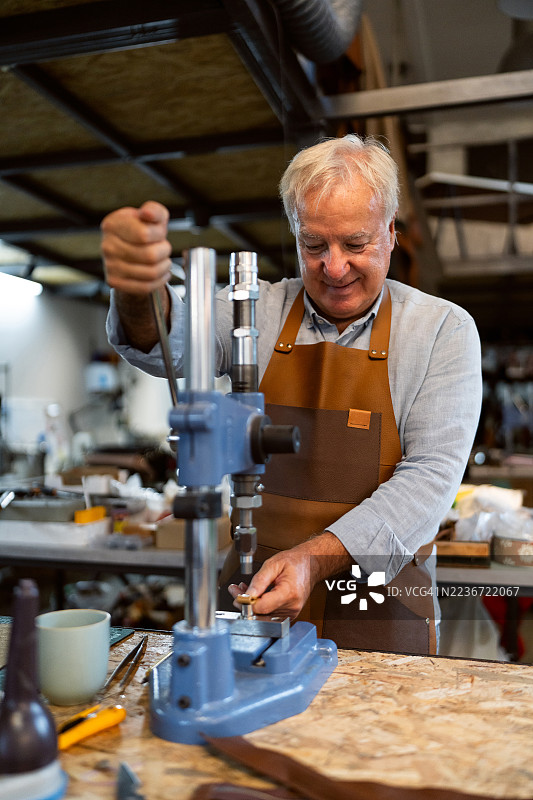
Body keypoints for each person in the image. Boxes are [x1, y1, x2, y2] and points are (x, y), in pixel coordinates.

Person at [102, 134, 482, 654]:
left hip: (381, 606)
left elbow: (430, 482)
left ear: (390, 234)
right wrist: (136, 289)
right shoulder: (254, 310)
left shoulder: (442, 330)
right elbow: (166, 344)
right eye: (314, 245)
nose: (333, 266)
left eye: (355, 244)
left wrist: (311, 558)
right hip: (256, 599)